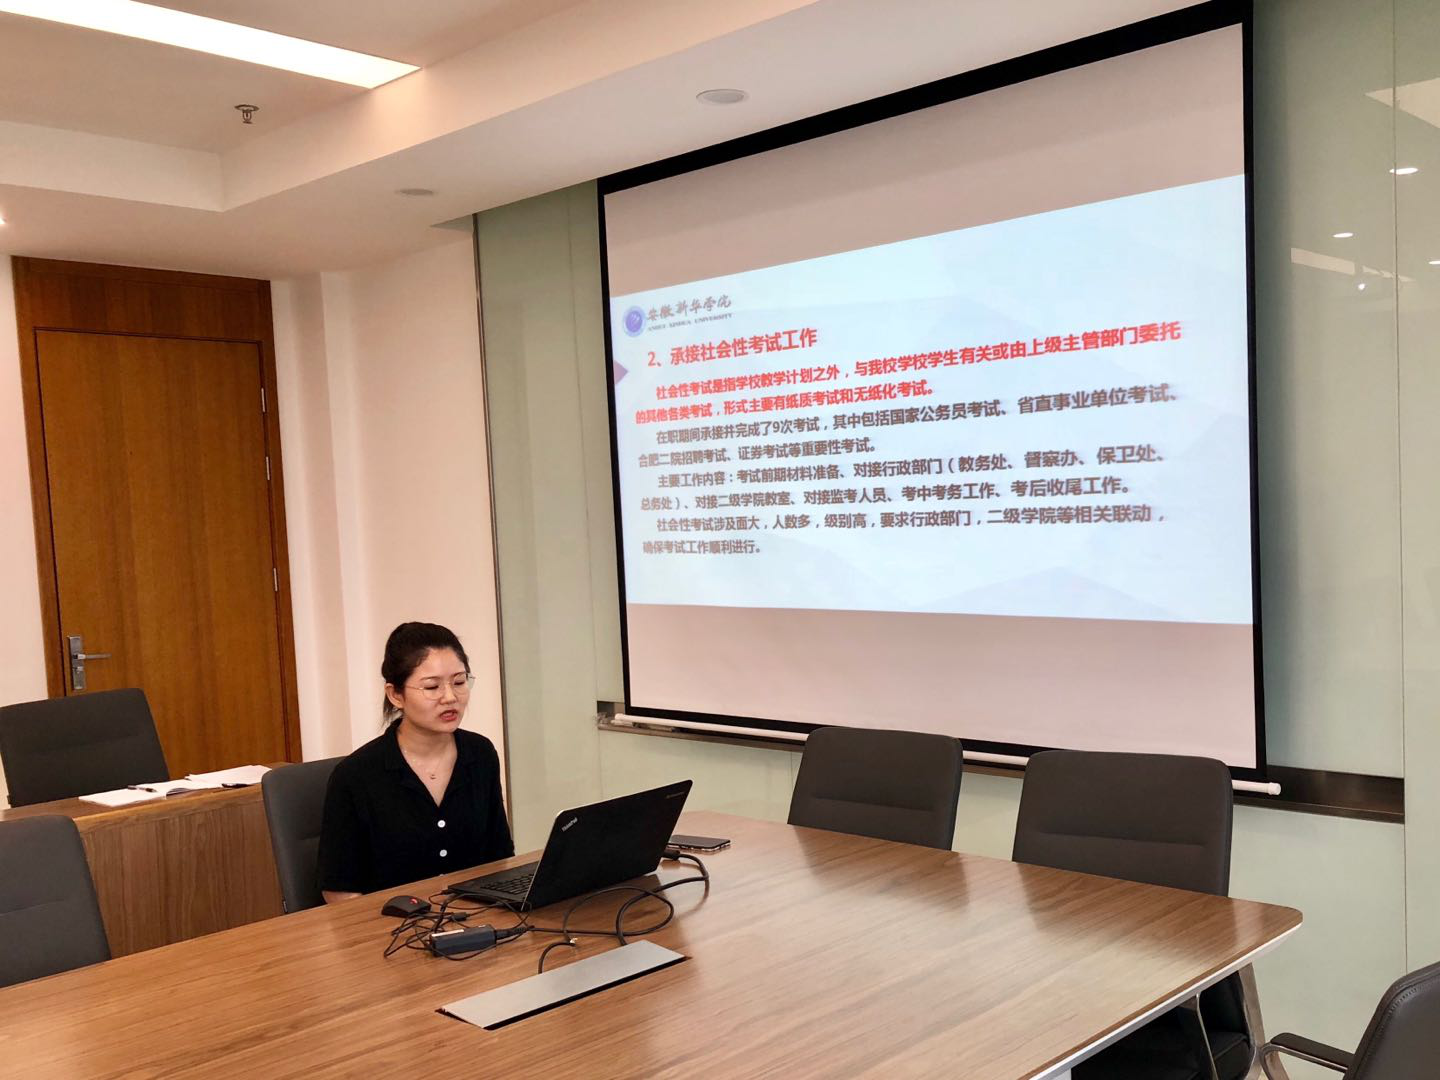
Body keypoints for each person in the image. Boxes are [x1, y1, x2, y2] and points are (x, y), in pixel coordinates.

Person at [317, 622, 513, 903]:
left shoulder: (480, 754)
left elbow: (499, 857)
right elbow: (339, 890)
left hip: (476, 918)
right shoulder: (355, 775)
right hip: (390, 925)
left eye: (459, 682)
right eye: (432, 687)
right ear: (396, 695)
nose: (450, 697)